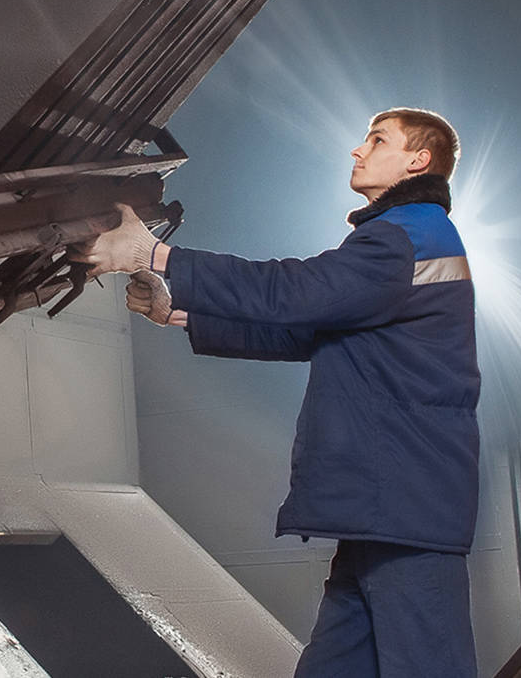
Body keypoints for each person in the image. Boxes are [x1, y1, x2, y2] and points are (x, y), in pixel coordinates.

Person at [72, 108, 479, 678]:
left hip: (404, 505)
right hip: (385, 508)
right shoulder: (408, 237)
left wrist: (158, 256)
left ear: (419, 160)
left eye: (377, 140)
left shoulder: (406, 237)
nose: (358, 152)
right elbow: (310, 329)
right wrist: (179, 312)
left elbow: (296, 293)